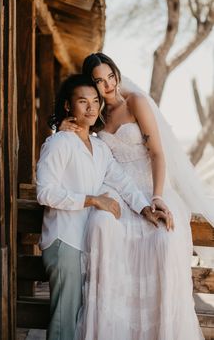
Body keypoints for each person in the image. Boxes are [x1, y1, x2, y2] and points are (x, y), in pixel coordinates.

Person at [59, 53, 214, 340]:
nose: (108, 86)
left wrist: (157, 196)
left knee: (163, 239)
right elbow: (78, 139)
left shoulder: (136, 103)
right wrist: (62, 128)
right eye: (99, 82)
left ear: (117, 74)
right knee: (103, 228)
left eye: (111, 77)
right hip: (118, 191)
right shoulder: (97, 114)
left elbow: (157, 153)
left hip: (150, 186)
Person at [36, 74, 168, 340]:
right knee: (65, 321)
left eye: (95, 101)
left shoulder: (99, 148)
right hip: (64, 241)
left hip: (84, 241)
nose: (91, 108)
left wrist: (146, 209)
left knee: (79, 320)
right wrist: (94, 200)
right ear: (67, 107)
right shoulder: (59, 143)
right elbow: (45, 192)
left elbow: (124, 182)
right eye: (82, 102)